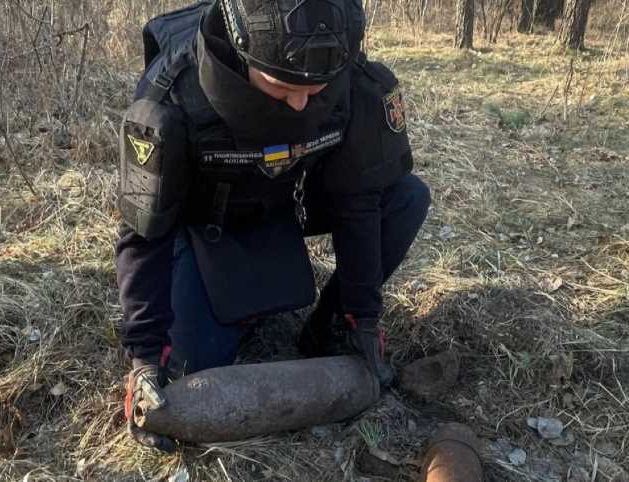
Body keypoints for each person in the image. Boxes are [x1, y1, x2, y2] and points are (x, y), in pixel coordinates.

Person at [116, 0, 431, 451]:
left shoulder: (346, 76)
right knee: (194, 366)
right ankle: (216, 292)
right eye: (282, 88)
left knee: (406, 196)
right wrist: (145, 355)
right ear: (244, 53)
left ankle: (330, 327)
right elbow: (144, 233)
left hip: (288, 197)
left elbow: (358, 200)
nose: (301, 103)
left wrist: (362, 315)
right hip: (202, 219)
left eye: (315, 89)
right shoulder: (172, 97)